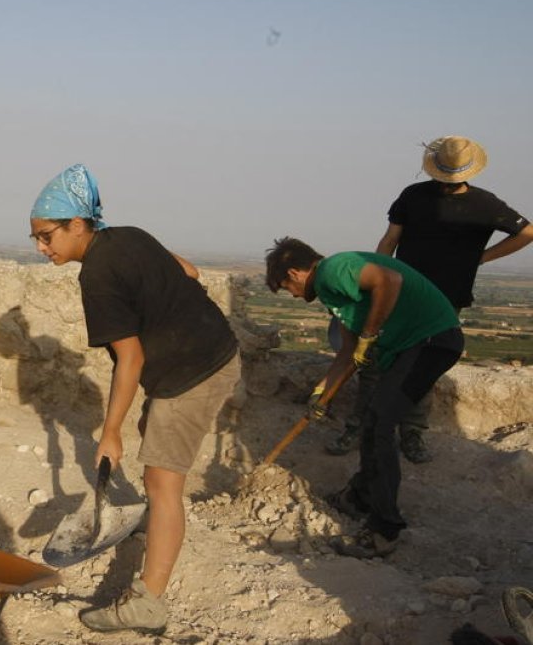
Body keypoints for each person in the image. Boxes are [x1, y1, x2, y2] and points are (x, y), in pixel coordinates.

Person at [29, 165, 240, 635]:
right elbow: (189, 270)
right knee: (154, 443)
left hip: (192, 373)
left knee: (164, 484)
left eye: (46, 237)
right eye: (36, 239)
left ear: (77, 225)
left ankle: (149, 602)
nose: (42, 249)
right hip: (216, 348)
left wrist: (109, 434)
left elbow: (130, 359)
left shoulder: (97, 277)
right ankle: (155, 522)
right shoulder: (128, 235)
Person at [326, 136, 532, 463]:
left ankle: (410, 433)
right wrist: (376, 278)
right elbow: (390, 240)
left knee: (420, 367)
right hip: (401, 293)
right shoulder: (414, 196)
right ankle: (363, 428)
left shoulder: (485, 204)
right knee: (375, 362)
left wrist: (480, 258)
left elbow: (527, 232)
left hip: (442, 299)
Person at [265, 237, 463, 558]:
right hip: (418, 345)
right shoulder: (334, 294)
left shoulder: (332, 269)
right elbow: (348, 353)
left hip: (430, 341)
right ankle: (360, 496)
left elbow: (389, 280)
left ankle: (384, 531)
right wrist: (322, 393)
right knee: (373, 420)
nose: (293, 295)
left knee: (378, 424)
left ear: (295, 273)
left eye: (286, 286)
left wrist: (370, 333)